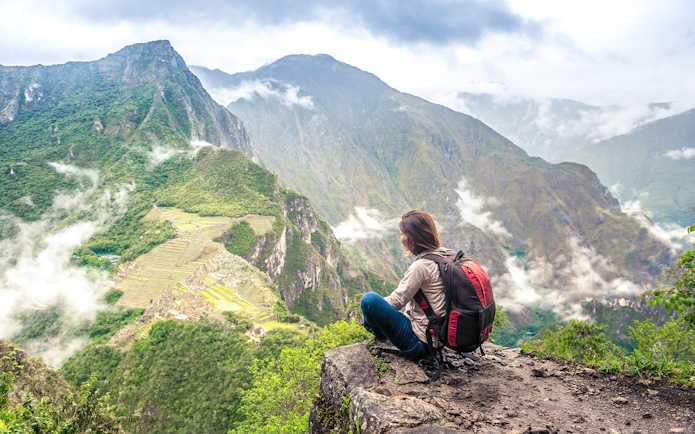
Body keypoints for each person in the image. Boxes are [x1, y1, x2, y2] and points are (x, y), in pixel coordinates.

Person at [360, 210, 455, 361]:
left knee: (368, 300)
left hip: (420, 342)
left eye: (403, 234)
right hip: (441, 337)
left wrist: (371, 314)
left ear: (413, 238)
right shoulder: (448, 255)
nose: (401, 238)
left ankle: (375, 330)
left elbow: (396, 301)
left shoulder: (421, 267)